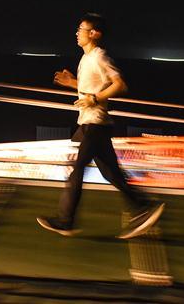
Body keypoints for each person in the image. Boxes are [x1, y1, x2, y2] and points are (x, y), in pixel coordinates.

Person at [37, 13, 164, 239]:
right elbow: (90, 87)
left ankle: (66, 221)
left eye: (81, 29)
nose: (77, 33)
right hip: (92, 124)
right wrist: (72, 84)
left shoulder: (99, 57)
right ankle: (144, 207)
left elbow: (120, 85)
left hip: (94, 123)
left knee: (77, 170)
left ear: (94, 33)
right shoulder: (86, 59)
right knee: (111, 174)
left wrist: (94, 99)